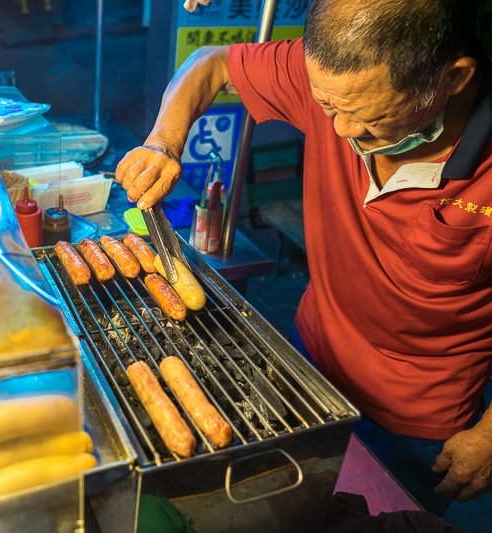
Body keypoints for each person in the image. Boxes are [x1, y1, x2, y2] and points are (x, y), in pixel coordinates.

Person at [115, 0, 492, 529]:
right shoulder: (338, 81)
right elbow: (210, 63)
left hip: (421, 421)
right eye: (326, 106)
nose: (337, 130)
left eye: (367, 118)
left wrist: (490, 434)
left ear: (452, 77)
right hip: (307, 365)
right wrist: (163, 142)